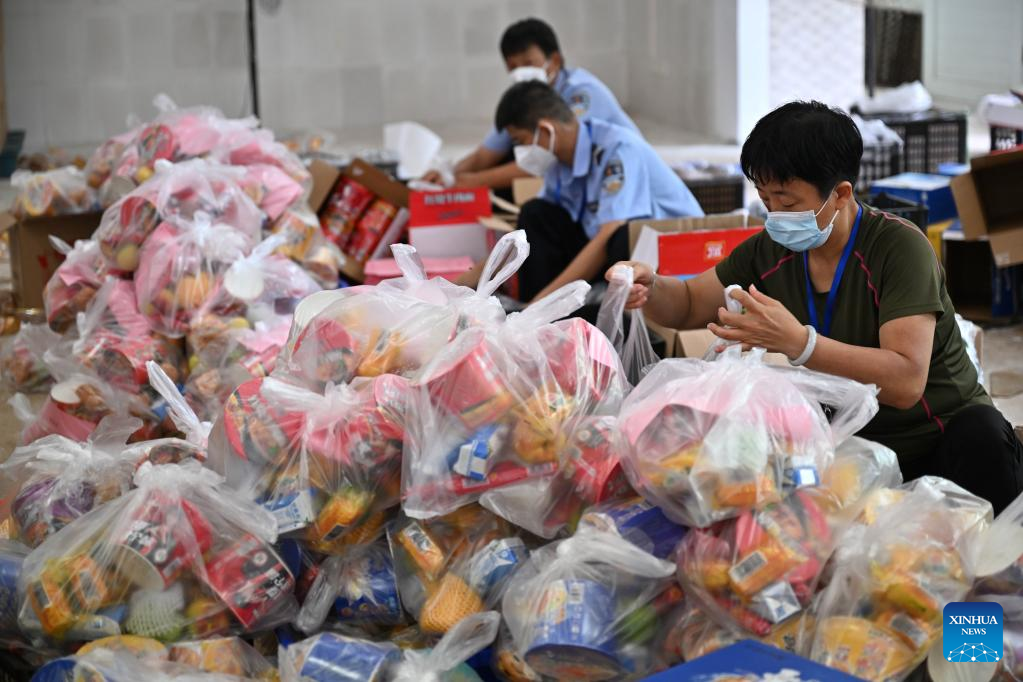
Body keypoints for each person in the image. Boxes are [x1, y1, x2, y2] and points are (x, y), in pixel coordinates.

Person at [608, 100, 1023, 514]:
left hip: (938, 442)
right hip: (851, 448)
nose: (775, 216)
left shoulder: (899, 249)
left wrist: (801, 344)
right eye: (765, 200)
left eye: (787, 203)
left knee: (981, 436)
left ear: (840, 194)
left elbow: (905, 381)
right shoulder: (770, 250)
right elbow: (687, 305)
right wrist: (651, 286)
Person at [458, 81, 702, 303]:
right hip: (602, 247)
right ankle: (538, 313)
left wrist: (542, 303)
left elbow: (607, 235)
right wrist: (466, 282)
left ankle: (551, 311)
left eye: (520, 141)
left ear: (546, 130)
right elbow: (531, 234)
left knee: (620, 237)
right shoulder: (558, 161)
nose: (520, 152)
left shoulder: (618, 150)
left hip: (669, 255)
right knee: (535, 215)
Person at [422, 17, 640, 190]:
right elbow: (486, 154)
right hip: (574, 178)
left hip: (619, 174)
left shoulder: (582, 94)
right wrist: (447, 175)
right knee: (513, 152)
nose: (520, 72)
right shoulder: (524, 100)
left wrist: (474, 181)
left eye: (528, 63)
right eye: (512, 67)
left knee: (520, 166)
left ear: (555, 61)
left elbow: (546, 157)